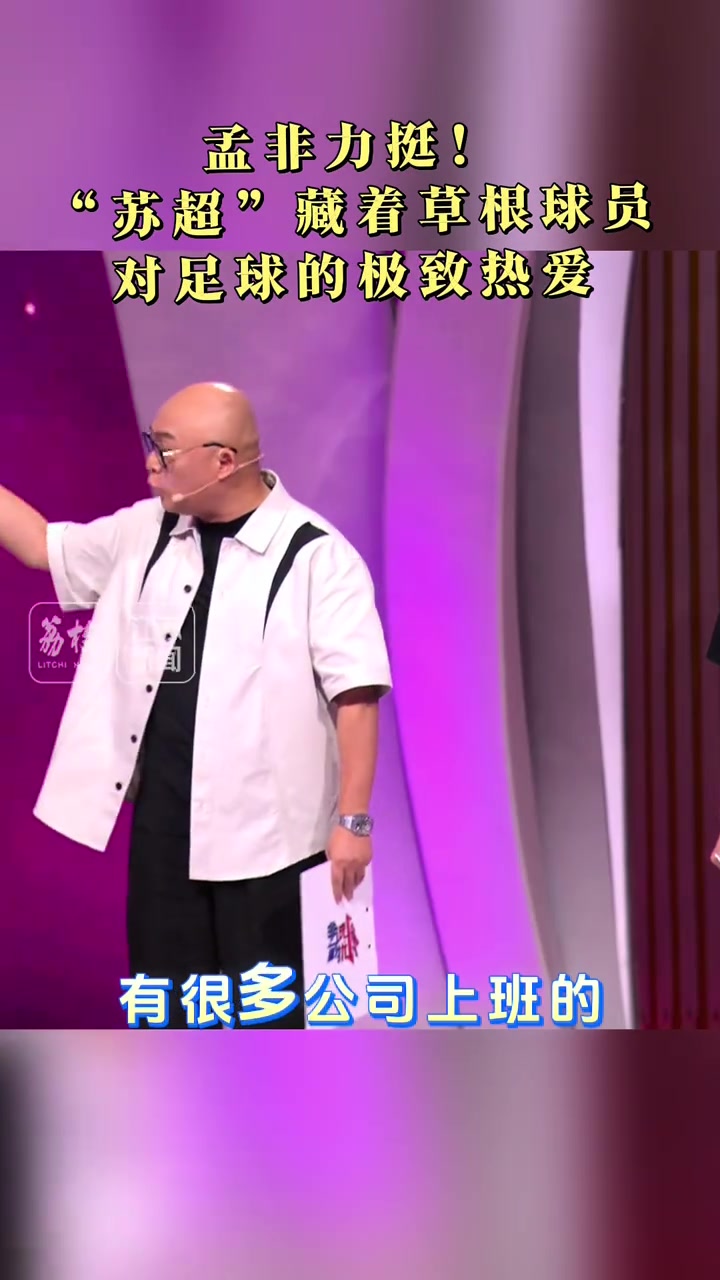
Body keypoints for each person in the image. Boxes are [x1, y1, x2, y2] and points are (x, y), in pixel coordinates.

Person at [1, 382, 392, 1028]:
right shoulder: (147, 530)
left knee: (275, 1028)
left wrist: (353, 821)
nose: (150, 463)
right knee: (172, 1021)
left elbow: (357, 694)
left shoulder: (317, 556)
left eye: (166, 449)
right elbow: (43, 545)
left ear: (223, 461)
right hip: (167, 834)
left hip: (273, 842)